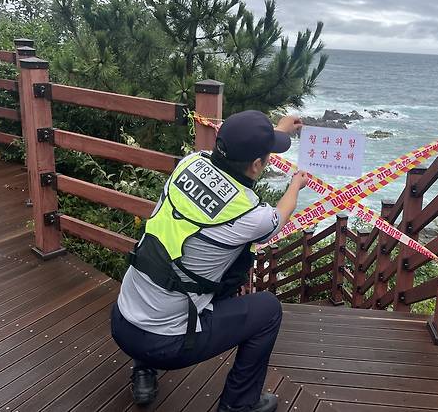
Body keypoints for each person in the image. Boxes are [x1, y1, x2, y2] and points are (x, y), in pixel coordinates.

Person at [110, 110, 307, 412]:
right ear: (257, 164)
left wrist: (276, 131)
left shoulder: (189, 163)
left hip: (122, 319)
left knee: (166, 270)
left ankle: (142, 372)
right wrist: (295, 185)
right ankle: (239, 405)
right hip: (167, 345)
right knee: (268, 310)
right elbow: (281, 213)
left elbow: (235, 159)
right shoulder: (251, 216)